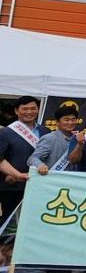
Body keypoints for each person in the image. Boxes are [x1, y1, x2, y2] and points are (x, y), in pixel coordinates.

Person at [0, 96, 50, 225]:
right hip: (13, 185)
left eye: (33, 108)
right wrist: (14, 174)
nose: (29, 112)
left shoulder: (45, 131)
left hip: (39, 183)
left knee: (34, 219)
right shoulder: (6, 132)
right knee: (11, 221)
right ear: (16, 111)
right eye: (25, 109)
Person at [28, 106, 79, 174]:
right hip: (54, 178)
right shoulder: (49, 138)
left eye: (73, 119)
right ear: (57, 122)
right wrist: (40, 165)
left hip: (73, 178)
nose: (70, 122)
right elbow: (32, 158)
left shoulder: (78, 138)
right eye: (66, 120)